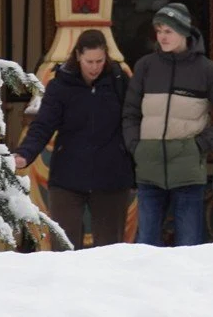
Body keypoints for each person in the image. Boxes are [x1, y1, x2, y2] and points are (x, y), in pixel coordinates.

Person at [12, 29, 136, 249]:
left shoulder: (119, 81)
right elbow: (43, 124)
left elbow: (134, 119)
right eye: (89, 61)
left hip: (111, 176)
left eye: (99, 61)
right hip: (68, 176)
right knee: (65, 248)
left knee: (110, 250)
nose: (94, 67)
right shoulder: (60, 85)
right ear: (78, 55)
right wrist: (25, 153)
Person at [122, 2, 213, 246]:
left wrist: (200, 145)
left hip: (187, 171)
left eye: (168, 31)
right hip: (149, 168)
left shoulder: (208, 71)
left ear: (184, 32)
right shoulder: (146, 67)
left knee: (188, 245)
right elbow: (130, 112)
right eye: (159, 31)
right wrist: (136, 146)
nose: (162, 37)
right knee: (146, 244)